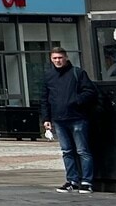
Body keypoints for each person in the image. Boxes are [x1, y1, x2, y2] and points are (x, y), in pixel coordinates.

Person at [40, 46, 100, 192]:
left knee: (82, 150)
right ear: (51, 59)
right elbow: (44, 98)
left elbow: (90, 91)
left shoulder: (77, 73)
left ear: (66, 58)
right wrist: (46, 118)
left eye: (60, 58)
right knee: (67, 151)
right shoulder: (49, 76)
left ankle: (86, 181)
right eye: (55, 58)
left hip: (77, 117)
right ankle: (72, 180)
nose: (57, 61)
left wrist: (75, 101)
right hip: (59, 119)